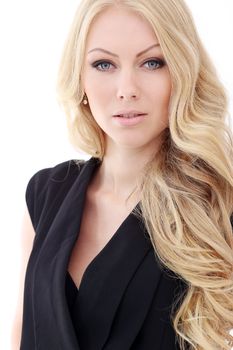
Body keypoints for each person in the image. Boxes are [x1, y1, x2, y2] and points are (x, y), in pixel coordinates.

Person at [12, 0, 233, 349]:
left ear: (182, 72)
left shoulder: (217, 202)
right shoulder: (44, 193)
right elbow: (22, 329)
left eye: (152, 62)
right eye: (104, 64)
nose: (126, 88)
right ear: (80, 77)